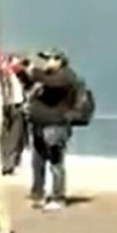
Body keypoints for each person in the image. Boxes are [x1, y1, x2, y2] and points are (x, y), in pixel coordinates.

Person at [27, 49, 78, 211]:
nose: (45, 63)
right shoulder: (45, 77)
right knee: (38, 162)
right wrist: (22, 71)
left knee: (56, 163)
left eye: (48, 59)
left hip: (55, 125)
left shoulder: (66, 76)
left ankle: (58, 196)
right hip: (39, 125)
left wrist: (33, 71)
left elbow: (53, 84)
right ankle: (39, 193)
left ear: (59, 61)